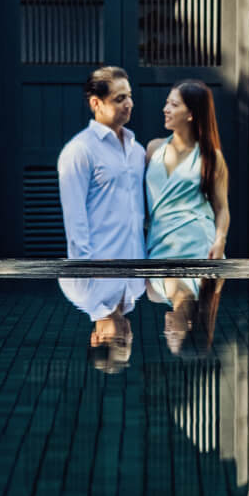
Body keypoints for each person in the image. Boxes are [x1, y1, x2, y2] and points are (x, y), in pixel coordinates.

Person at [56, 66, 149, 367]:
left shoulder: (136, 152)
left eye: (129, 97)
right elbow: (74, 216)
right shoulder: (79, 151)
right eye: (120, 98)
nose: (129, 104)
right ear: (96, 103)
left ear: (96, 337)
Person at [144, 80, 231, 353]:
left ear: (191, 114)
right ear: (190, 327)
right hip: (159, 242)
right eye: (173, 335)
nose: (165, 109)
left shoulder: (154, 292)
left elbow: (222, 207)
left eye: (173, 104)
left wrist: (220, 241)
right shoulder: (153, 149)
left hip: (198, 245)